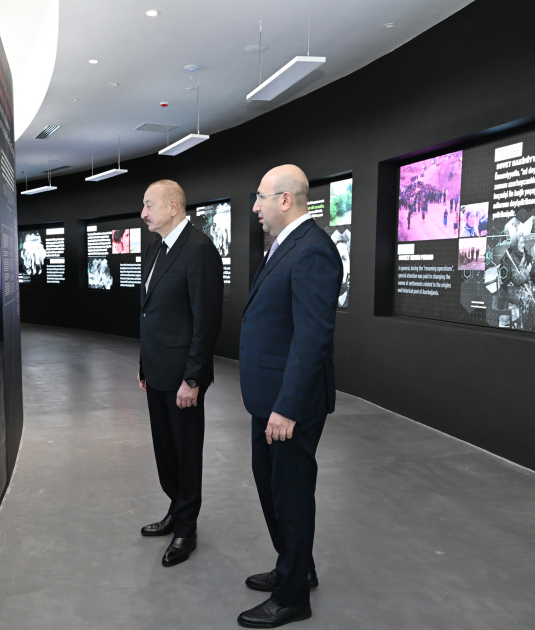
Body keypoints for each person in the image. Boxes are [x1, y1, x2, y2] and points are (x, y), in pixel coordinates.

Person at [238, 165, 343, 628]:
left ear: (285, 199)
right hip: (269, 400)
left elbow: (312, 338)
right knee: (273, 487)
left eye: (260, 197)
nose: (255, 207)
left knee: (291, 494)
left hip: (288, 405)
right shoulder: (285, 245)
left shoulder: (313, 250)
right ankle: (296, 567)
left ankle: (292, 596)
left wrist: (285, 407)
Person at [137, 179, 223, 567]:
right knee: (166, 452)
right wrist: (144, 364)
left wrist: (193, 378)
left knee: (186, 454)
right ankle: (176, 509)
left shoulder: (199, 250)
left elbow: (206, 321)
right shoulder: (155, 249)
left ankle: (186, 529)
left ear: (173, 207)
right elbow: (150, 314)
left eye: (149, 205)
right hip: (156, 372)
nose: (143, 214)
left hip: (182, 378)